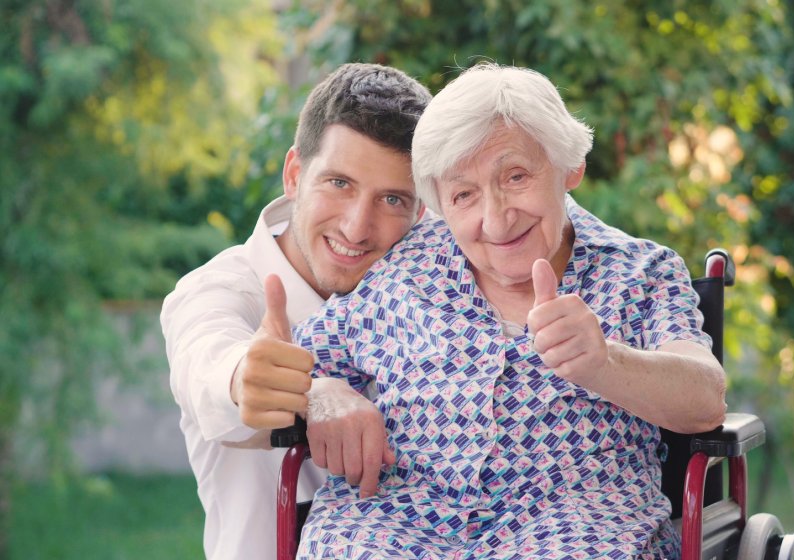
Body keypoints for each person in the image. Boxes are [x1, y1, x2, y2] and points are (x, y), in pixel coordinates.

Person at [293, 63, 727, 559]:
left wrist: (605, 363)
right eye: (464, 195)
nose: (496, 220)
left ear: (569, 166)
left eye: (515, 176)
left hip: (575, 524)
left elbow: (705, 398)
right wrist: (322, 391)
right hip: (397, 520)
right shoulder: (404, 269)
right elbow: (298, 362)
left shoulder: (640, 273)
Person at [160, 63, 432, 560]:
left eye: (391, 199)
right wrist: (283, 383)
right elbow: (207, 361)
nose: (356, 227)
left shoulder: (438, 284)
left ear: (420, 213)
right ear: (294, 175)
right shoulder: (218, 292)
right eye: (339, 183)